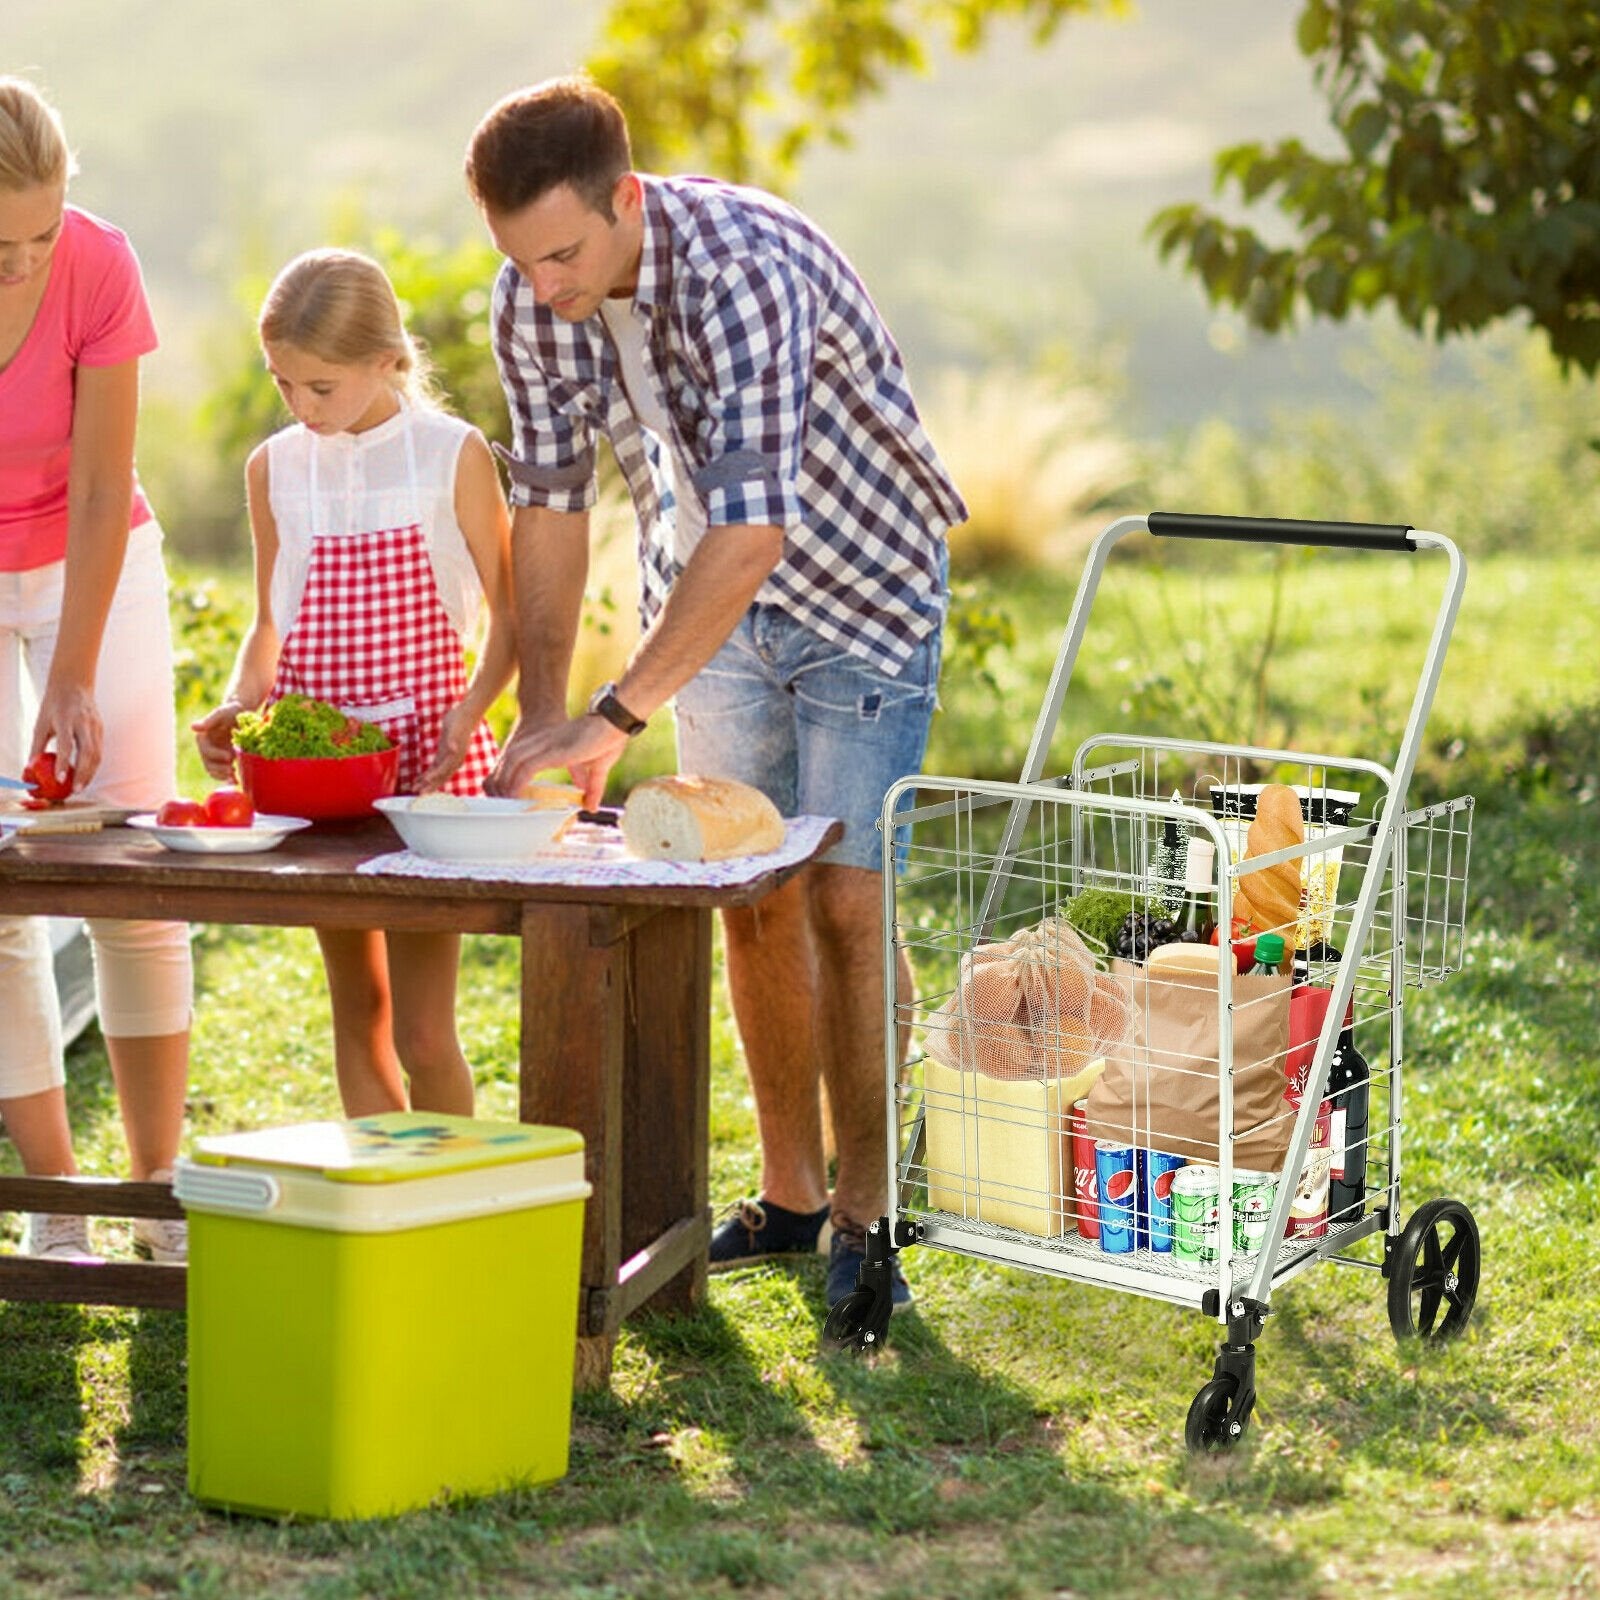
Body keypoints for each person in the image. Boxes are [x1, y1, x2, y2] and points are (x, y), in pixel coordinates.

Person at [464, 77, 966, 1311]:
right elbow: (546, 505)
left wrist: (616, 714)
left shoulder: (742, 269)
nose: (545, 287)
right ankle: (793, 1198)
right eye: (521, 262)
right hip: (704, 606)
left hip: (860, 590)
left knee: (847, 904)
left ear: (627, 199)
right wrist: (543, 711)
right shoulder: (534, 297)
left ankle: (868, 1218)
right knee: (747, 893)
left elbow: (753, 532)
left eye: (564, 254)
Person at [193, 249, 516, 1119]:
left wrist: (470, 714)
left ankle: (450, 1201)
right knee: (357, 1013)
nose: (301, 407)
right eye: (283, 383)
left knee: (422, 1032)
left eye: (320, 387)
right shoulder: (274, 467)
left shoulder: (451, 455)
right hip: (317, 786)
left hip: (425, 779)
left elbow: (510, 621)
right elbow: (271, 624)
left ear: (387, 360)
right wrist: (238, 705)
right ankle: (385, 1212)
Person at [0, 77, 192, 1263]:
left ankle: (157, 1191)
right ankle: (56, 1203)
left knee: (134, 867)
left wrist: (68, 674)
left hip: (94, 552)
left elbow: (102, 479)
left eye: (38, 235)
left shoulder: (99, 261)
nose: (23, 265)